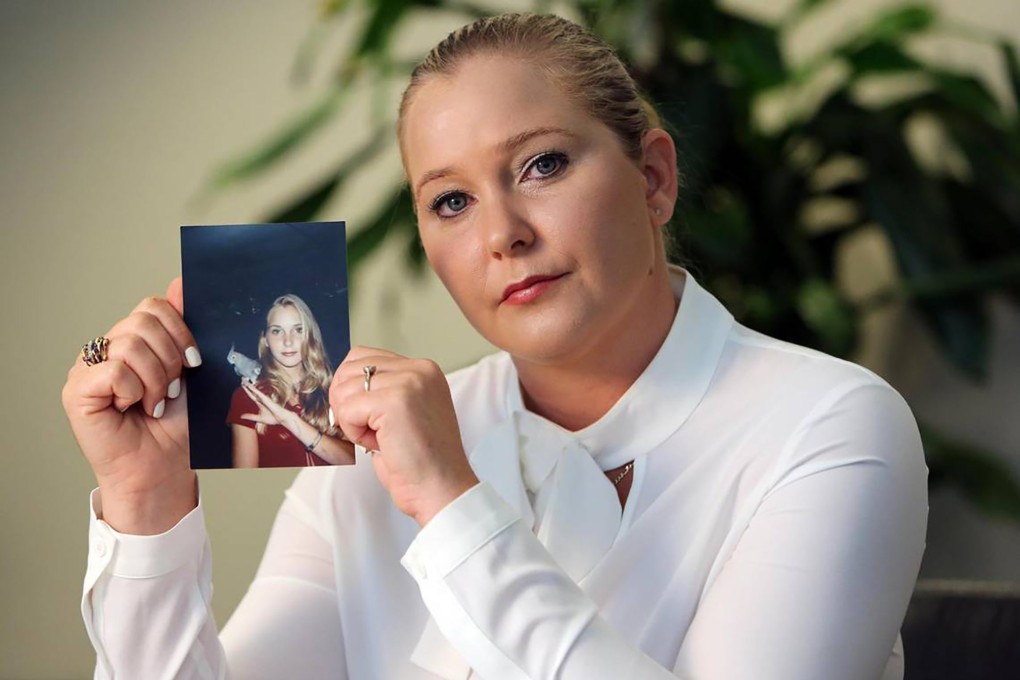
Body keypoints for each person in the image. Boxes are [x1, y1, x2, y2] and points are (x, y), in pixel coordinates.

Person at [61, 12, 927, 679]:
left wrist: (451, 501)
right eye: (450, 202)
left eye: (542, 164)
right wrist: (144, 505)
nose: (502, 235)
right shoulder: (359, 463)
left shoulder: (832, 426)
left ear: (654, 178)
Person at [227, 293, 354, 468]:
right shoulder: (249, 397)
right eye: (277, 331)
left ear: (310, 335)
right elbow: (243, 481)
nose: (288, 341)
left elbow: (356, 462)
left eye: (298, 330)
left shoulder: (333, 389)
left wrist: (291, 421)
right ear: (265, 340)